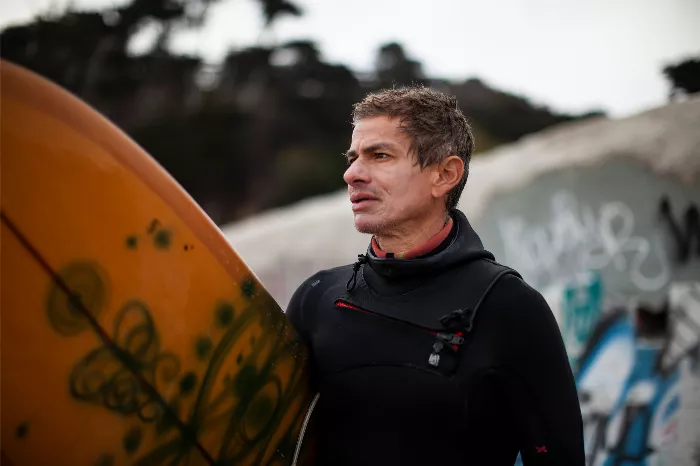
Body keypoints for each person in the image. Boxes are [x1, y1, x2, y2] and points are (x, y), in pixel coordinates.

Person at [286, 86, 584, 466]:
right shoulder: (317, 299)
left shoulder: (508, 306)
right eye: (352, 158)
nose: (352, 174)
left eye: (379, 155)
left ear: (444, 175)